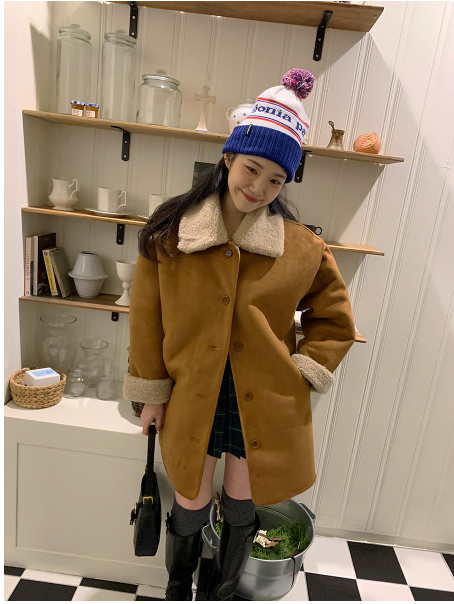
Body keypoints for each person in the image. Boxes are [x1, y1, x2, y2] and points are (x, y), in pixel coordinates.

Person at [123, 69, 356, 601]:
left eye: (275, 180)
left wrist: (302, 371)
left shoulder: (302, 248)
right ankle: (178, 588)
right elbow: (146, 320)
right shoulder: (170, 234)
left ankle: (224, 591)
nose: (259, 187)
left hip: (262, 400)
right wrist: (151, 394)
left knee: (242, 499)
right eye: (252, 169)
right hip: (191, 393)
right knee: (190, 496)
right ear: (228, 157)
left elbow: (335, 320)